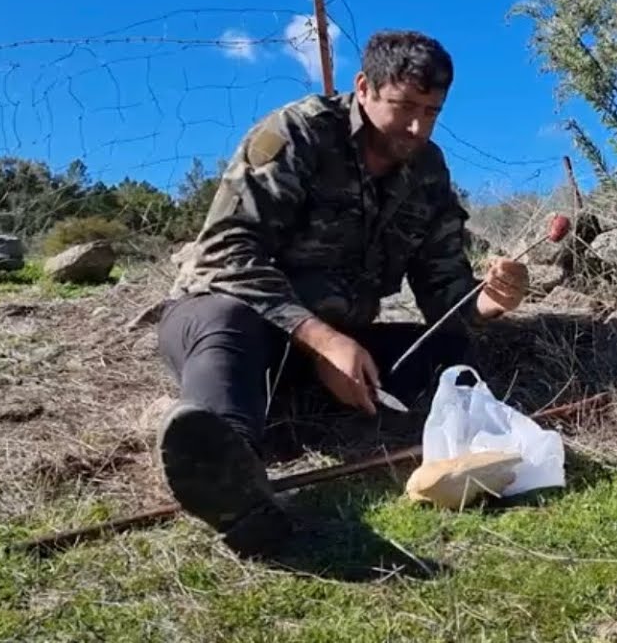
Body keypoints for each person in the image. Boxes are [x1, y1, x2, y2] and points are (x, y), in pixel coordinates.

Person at [152, 30, 530, 557]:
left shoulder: (428, 171)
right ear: (363, 88)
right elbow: (227, 254)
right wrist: (323, 341)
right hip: (226, 320)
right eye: (405, 107)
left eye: (433, 111)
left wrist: (492, 299)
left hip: (332, 344)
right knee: (228, 322)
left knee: (447, 352)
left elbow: (446, 297)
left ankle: (291, 408)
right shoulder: (297, 134)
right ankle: (231, 473)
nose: (418, 126)